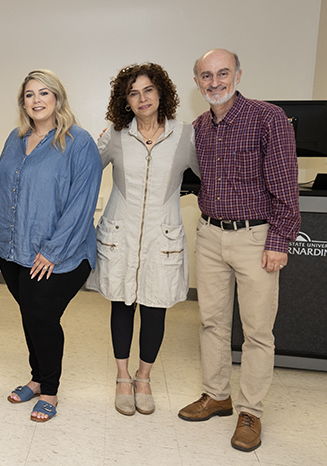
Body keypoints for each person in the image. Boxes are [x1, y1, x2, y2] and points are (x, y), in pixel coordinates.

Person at [178, 49, 300, 452]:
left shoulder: (269, 118)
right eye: (206, 76)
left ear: (238, 74)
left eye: (222, 73)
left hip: (256, 238)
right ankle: (217, 395)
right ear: (197, 82)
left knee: (257, 331)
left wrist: (279, 241)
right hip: (211, 235)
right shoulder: (199, 126)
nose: (214, 82)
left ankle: (251, 411)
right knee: (211, 322)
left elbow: (286, 186)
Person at [86, 63, 199, 416]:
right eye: (133, 93)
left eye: (148, 90)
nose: (142, 98)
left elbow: (208, 175)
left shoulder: (185, 135)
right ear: (126, 101)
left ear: (161, 92)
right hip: (120, 234)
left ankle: (144, 377)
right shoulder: (116, 135)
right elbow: (85, 169)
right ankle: (122, 376)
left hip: (161, 237)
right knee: (121, 304)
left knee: (155, 307)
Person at [0, 69, 101, 422]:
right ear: (22, 102)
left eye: (44, 93)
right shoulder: (15, 137)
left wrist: (52, 251)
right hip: (13, 248)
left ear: (58, 99)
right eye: (29, 94)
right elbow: (2, 188)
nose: (36, 100)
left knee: (41, 315)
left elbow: (81, 203)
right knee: (30, 313)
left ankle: (50, 391)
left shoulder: (78, 142)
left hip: (62, 253)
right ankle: (37, 378)